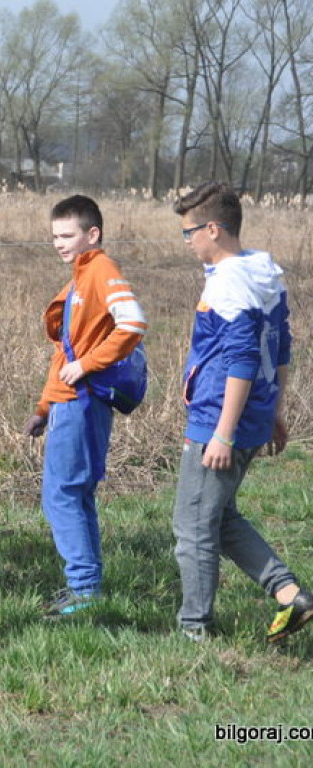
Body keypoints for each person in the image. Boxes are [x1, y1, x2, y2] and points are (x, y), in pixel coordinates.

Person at [171, 181, 312, 643]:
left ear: (213, 229)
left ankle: (195, 630)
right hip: (252, 416)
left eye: (189, 232)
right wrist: (272, 410)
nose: (187, 241)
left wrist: (223, 432)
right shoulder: (262, 271)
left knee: (192, 526)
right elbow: (282, 346)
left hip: (219, 420)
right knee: (219, 516)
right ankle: (290, 594)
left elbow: (242, 359)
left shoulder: (231, 281)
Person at [23, 195, 147, 619]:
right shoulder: (79, 277)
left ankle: (83, 590)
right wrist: (43, 406)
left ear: (92, 234)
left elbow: (132, 321)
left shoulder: (100, 270)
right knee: (77, 494)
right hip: (70, 402)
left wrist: (87, 366)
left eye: (67, 235)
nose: (58, 243)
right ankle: (87, 586)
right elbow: (65, 352)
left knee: (61, 496)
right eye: (54, 236)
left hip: (82, 401)